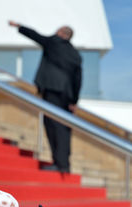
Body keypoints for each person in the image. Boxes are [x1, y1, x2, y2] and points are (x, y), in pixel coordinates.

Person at [9, 21, 82, 173]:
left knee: (53, 126)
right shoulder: (75, 54)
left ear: (62, 34)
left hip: (51, 89)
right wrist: (74, 101)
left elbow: (35, 35)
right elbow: (78, 79)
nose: (55, 33)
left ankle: (59, 164)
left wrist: (19, 26)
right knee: (64, 128)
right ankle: (65, 164)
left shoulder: (54, 43)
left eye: (58, 31)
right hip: (67, 96)